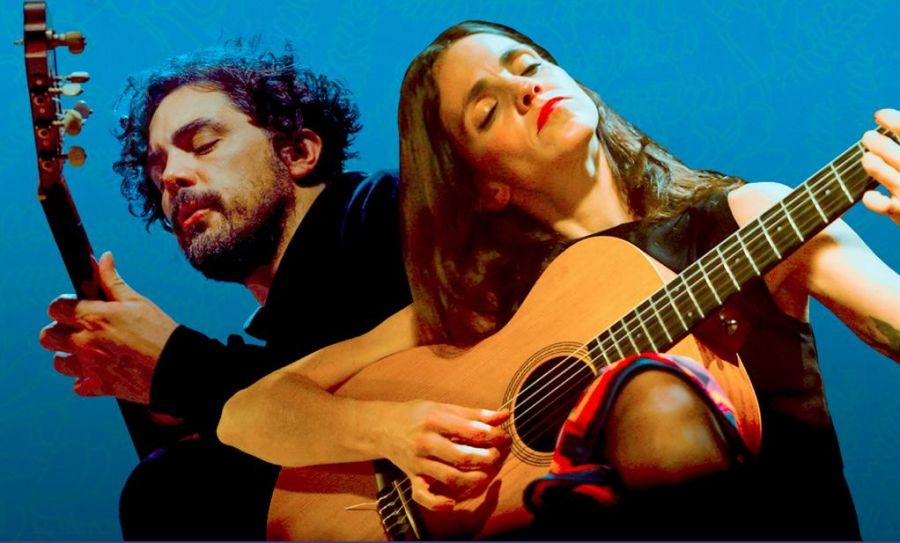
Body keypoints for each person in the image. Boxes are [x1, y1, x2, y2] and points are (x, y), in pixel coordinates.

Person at [218, 21, 900, 540]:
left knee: (655, 398)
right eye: (487, 111)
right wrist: (390, 430)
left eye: (529, 67)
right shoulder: (486, 309)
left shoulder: (747, 217)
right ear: (484, 187)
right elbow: (248, 412)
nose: (524, 88)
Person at [37, 41, 411, 540]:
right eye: (157, 173)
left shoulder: (388, 210)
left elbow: (387, 388)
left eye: (204, 144)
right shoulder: (279, 348)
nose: (171, 178)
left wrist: (175, 366)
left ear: (299, 152)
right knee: (172, 489)